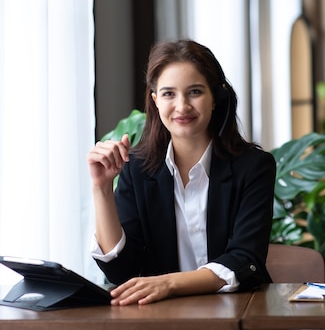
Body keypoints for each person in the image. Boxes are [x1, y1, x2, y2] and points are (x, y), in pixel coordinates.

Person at [87, 39, 275, 306]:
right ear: (155, 101)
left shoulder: (254, 167)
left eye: (195, 92)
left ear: (215, 99)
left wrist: (169, 283)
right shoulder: (137, 169)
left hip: (239, 313)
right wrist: (102, 188)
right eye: (168, 94)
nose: (182, 106)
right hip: (161, 319)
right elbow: (121, 272)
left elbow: (245, 260)